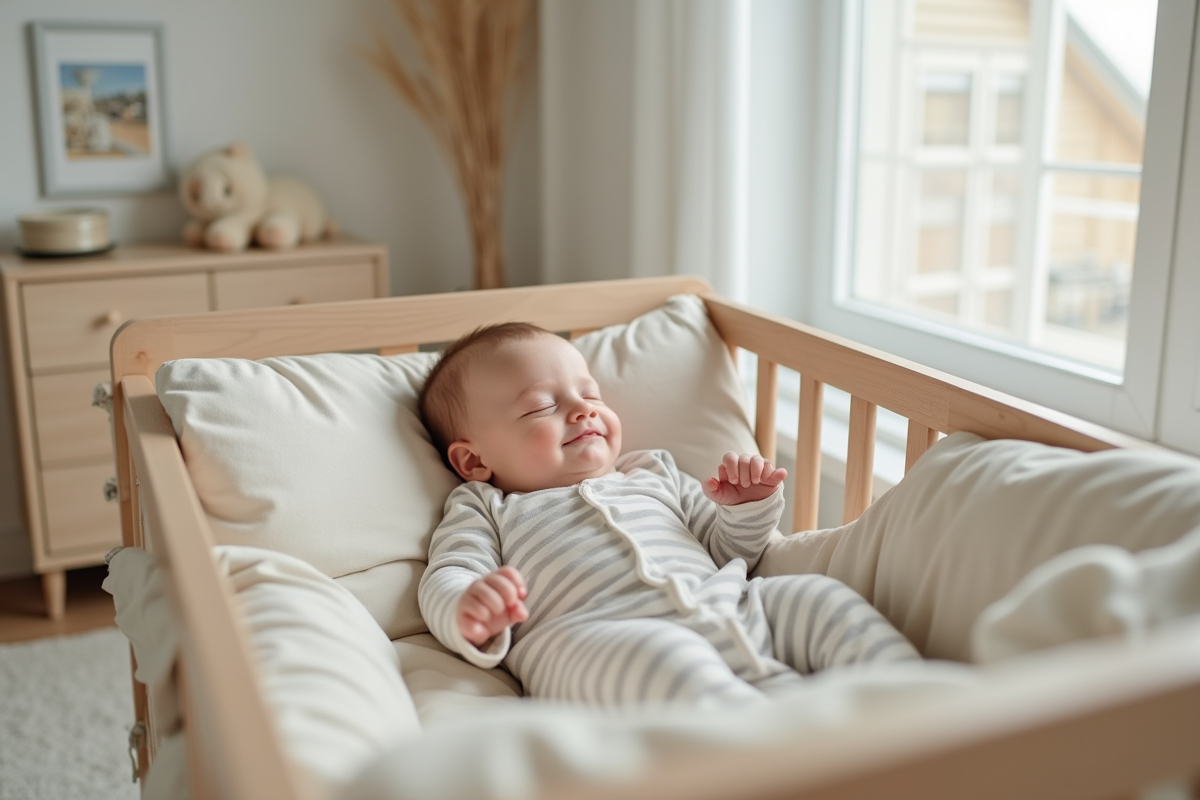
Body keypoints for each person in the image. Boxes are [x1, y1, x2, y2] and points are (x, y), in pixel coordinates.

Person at [417, 322, 920, 708]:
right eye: (541, 407)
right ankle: (778, 748)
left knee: (816, 598)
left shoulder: (651, 471)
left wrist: (744, 508)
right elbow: (448, 574)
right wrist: (469, 608)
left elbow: (727, 550)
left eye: (589, 395)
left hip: (728, 603)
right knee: (669, 669)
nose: (583, 410)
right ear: (474, 461)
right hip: (598, 641)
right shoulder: (485, 506)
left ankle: (922, 707)